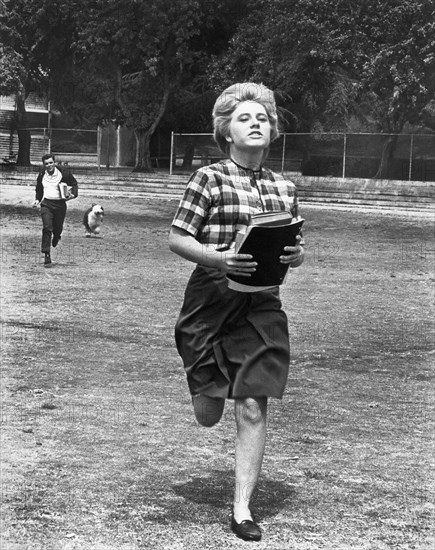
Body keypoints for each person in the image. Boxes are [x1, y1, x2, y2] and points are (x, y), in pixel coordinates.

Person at [169, 82, 304, 542]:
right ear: (225, 130)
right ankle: (205, 382)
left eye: (263, 118)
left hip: (262, 301)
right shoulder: (209, 178)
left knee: (251, 403)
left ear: (273, 131)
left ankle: (242, 509)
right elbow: (178, 238)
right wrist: (219, 257)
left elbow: (295, 246)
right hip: (211, 298)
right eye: (245, 118)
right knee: (208, 413)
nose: (256, 124)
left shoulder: (284, 187)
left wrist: (295, 256)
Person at [33, 153, 78, 266]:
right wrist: (37, 200)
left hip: (60, 205)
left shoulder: (63, 173)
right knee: (47, 227)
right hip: (47, 204)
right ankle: (46, 254)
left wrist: (73, 195)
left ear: (54, 162)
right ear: (44, 165)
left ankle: (57, 236)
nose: (49, 165)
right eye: (46, 164)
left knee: (57, 228)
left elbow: (74, 184)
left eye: (51, 163)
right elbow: (39, 189)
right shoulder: (42, 174)